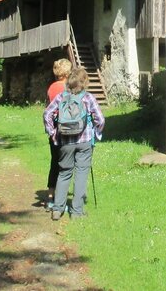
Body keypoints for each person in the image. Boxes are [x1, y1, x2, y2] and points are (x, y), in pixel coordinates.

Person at [43, 67, 104, 220]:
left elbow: (47, 114)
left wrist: (52, 133)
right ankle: (77, 212)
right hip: (85, 142)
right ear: (84, 83)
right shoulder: (88, 98)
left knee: (64, 173)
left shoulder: (61, 97)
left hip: (65, 141)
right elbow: (100, 119)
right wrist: (96, 133)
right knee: (81, 174)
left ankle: (57, 209)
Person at [44, 58, 72, 209]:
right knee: (65, 164)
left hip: (52, 129)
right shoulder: (68, 88)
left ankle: (50, 198)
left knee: (54, 162)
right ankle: (60, 201)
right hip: (66, 129)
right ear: (68, 72)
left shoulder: (51, 87)